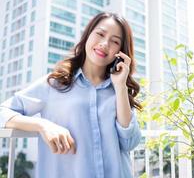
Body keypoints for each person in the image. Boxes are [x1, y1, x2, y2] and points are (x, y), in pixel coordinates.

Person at [0, 12, 142, 178]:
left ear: (120, 51)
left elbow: (129, 143)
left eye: (115, 41)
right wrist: (42, 125)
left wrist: (120, 87)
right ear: (88, 35)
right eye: (100, 34)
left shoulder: (118, 90)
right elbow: (3, 112)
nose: (105, 44)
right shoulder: (55, 83)